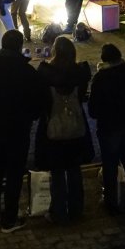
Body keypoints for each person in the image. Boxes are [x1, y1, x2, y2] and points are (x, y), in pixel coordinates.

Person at [0, 29, 47, 233]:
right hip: (18, 127)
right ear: (19, 46)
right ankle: (9, 218)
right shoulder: (27, 71)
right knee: (15, 172)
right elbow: (39, 98)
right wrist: (31, 115)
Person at [34, 35, 93, 222]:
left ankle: (58, 211)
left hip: (53, 125)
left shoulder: (45, 72)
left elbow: (41, 99)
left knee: (57, 172)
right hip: (75, 125)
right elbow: (82, 94)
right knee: (75, 170)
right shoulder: (80, 72)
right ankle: (76, 210)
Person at [87, 43, 125, 214]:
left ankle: (111, 202)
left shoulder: (101, 77)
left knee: (110, 164)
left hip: (109, 127)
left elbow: (93, 109)